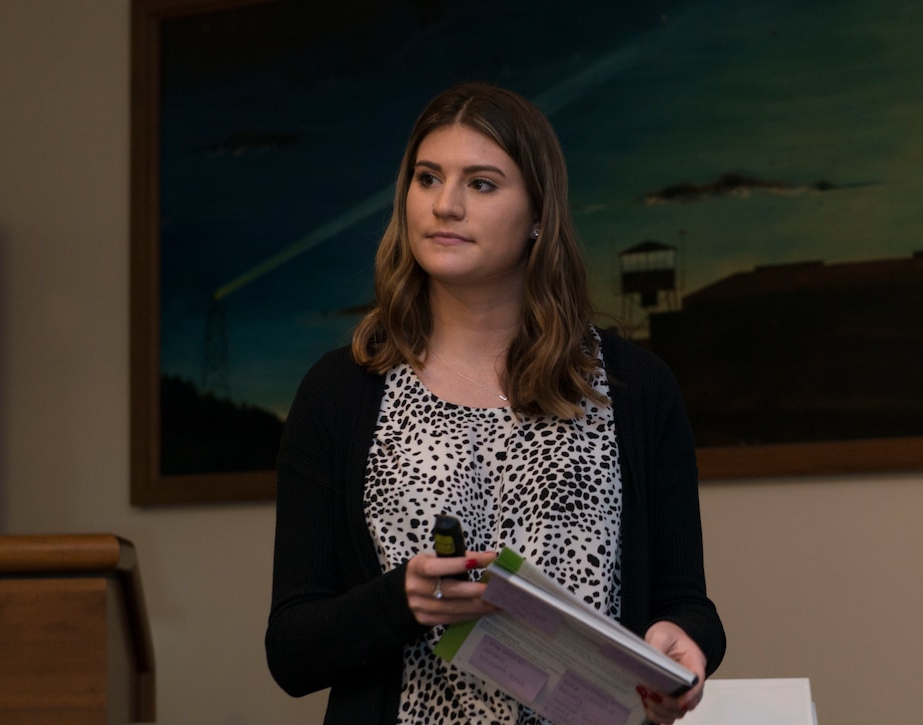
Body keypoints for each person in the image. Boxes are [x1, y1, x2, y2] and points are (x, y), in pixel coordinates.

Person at [265, 81, 725, 725]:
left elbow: (686, 602)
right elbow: (290, 649)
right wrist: (405, 600)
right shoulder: (341, 391)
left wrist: (684, 641)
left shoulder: (634, 386)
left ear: (539, 214)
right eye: (427, 178)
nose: (445, 205)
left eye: (481, 183)